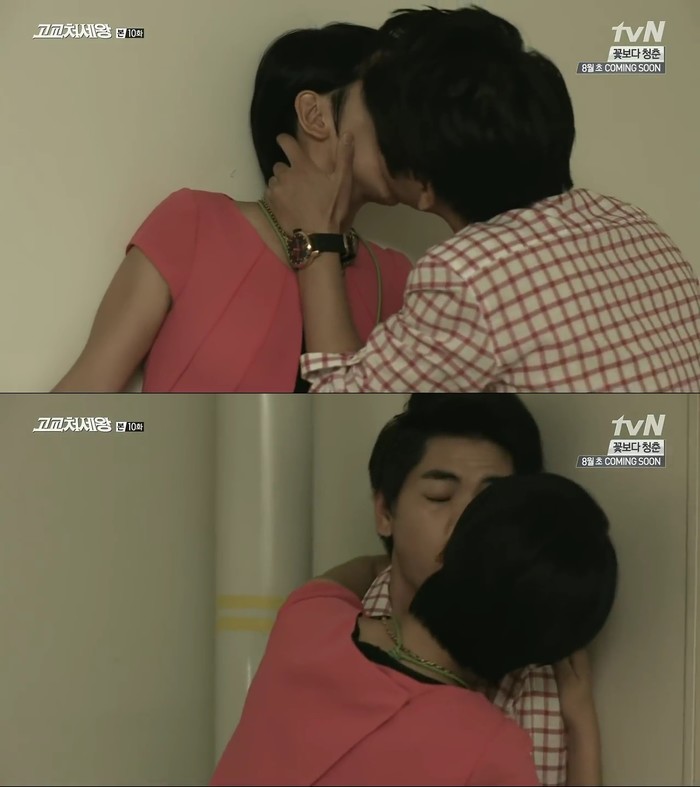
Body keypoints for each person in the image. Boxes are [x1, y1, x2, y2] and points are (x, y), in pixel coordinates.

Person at [264, 6, 700, 392]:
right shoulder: (631, 222)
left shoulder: (464, 276)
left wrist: (317, 238)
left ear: (424, 185)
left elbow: (343, 401)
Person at [51, 24, 411, 393]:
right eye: (388, 103)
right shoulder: (195, 225)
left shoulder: (401, 281)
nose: (412, 130)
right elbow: (83, 395)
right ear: (315, 116)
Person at [210, 472, 618, 786]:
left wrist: (419, 562)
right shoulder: (489, 750)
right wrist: (581, 722)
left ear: (449, 548)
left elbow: (350, 574)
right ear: (534, 655)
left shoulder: (308, 621)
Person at [362, 394, 599, 785]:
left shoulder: (535, 674)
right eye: (440, 497)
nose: (468, 522)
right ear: (385, 512)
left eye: (491, 502)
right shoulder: (330, 628)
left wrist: (583, 733)